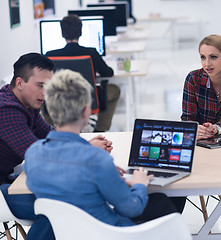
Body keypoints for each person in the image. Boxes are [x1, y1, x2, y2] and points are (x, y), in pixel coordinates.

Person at [24, 69, 178, 227]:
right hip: (109, 233)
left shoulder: (32, 154)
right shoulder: (97, 160)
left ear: (50, 110)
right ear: (86, 112)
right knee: (160, 201)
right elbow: (132, 208)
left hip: (64, 233)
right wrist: (139, 183)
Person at [0, 53, 112, 239]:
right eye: (40, 86)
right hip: (3, 190)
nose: (46, 93)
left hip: (9, 180)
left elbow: (51, 135)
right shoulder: (7, 110)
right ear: (19, 83)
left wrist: (84, 145)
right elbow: (41, 156)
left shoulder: (27, 104)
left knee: (62, 206)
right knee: (64, 205)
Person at [45, 14, 120, 132]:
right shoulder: (91, 53)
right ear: (80, 32)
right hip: (89, 99)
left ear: (62, 33)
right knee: (115, 90)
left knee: (43, 94)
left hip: (60, 99)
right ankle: (100, 129)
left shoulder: (50, 55)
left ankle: (54, 128)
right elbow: (108, 72)